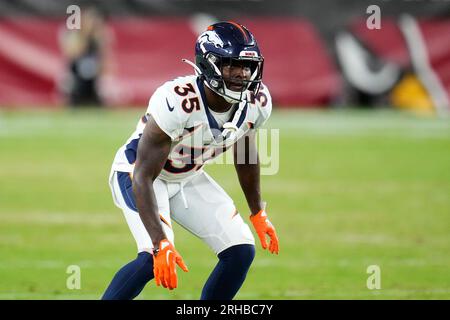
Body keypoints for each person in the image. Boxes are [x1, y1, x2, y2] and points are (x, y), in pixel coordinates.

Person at [102, 21, 279, 300]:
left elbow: (245, 151)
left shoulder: (257, 102)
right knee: (152, 259)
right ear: (208, 64)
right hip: (139, 175)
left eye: (247, 66)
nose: (241, 74)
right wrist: (160, 242)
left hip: (187, 176)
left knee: (240, 250)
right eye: (231, 64)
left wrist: (258, 211)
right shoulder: (177, 100)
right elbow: (143, 176)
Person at [59, 7, 110, 107]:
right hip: (76, 81)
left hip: (92, 82)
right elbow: (73, 54)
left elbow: (104, 62)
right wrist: (85, 35)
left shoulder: (97, 39)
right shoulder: (76, 36)